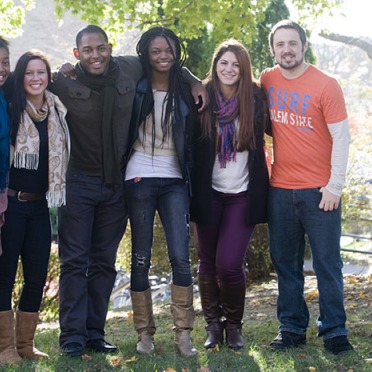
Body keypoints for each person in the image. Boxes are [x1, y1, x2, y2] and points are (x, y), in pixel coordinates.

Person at [51, 24, 207, 358]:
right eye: (88, 50)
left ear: (109, 48)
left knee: (107, 261)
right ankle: (75, 336)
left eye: (101, 48)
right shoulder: (66, 82)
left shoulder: (126, 68)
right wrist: (56, 69)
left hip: (122, 183)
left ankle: (97, 332)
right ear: (77, 54)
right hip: (88, 180)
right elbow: (34, 83)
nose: (96, 55)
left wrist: (194, 79)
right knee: (80, 261)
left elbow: (169, 60)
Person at [260, 20, 353, 355]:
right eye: (280, 44)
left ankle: (334, 330)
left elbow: (342, 138)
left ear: (303, 46)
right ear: (273, 49)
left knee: (328, 264)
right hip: (280, 190)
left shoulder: (326, 85)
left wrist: (334, 187)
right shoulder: (267, 80)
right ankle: (291, 327)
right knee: (286, 264)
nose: (287, 49)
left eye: (293, 43)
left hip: (320, 191)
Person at [190, 39, 270, 351]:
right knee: (207, 262)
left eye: (236, 64)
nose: (229, 69)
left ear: (244, 68)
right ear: (215, 64)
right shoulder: (201, 95)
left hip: (243, 194)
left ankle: (234, 326)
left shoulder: (256, 97)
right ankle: (213, 326)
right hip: (208, 192)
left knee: (229, 262)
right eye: (224, 62)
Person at [125, 27, 197, 357]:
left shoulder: (184, 85)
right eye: (156, 51)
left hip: (174, 178)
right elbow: (107, 62)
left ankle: (184, 334)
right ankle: (145, 335)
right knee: (139, 259)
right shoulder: (136, 80)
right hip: (139, 174)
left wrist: (194, 78)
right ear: (146, 54)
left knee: (180, 257)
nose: (163, 56)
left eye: (168, 50)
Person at [0, 50, 70, 364]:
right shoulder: (11, 108)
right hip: (12, 205)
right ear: (20, 76)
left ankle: (25, 345)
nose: (36, 78)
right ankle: (4, 348)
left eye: (41, 72)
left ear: (48, 76)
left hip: (40, 205)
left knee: (36, 277)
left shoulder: (55, 110)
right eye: (29, 72)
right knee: (4, 277)